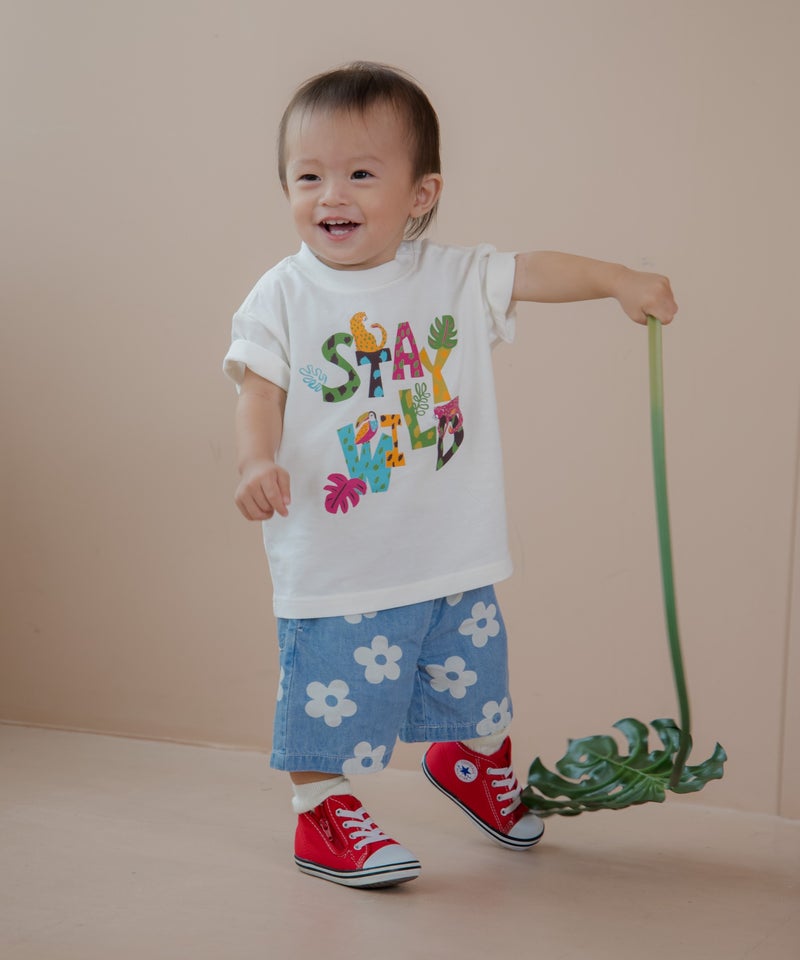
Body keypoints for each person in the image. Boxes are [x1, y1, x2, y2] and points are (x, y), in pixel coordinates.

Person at [223, 61, 677, 889]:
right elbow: (260, 390)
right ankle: (321, 810)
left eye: (361, 174)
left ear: (421, 193)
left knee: (477, 684)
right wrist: (257, 458)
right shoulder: (283, 295)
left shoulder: (451, 278)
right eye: (309, 176)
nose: (332, 195)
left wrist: (618, 280)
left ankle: (470, 765)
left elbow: (535, 270)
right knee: (330, 691)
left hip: (449, 550)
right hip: (339, 561)